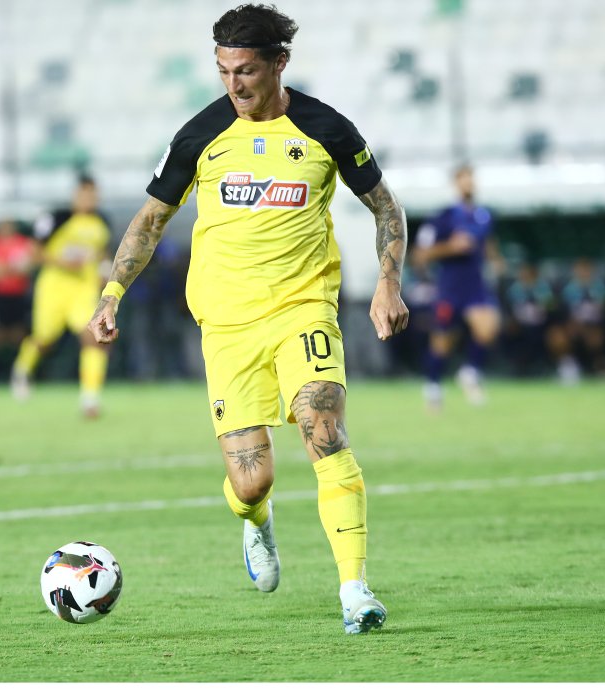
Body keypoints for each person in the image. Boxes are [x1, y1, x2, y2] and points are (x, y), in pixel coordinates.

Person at [87, 4, 408, 635]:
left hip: (303, 307)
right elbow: (150, 221)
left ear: (279, 63)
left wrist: (388, 283)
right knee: (252, 480)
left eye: (247, 71)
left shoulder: (326, 129)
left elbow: (385, 208)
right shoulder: (200, 135)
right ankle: (256, 521)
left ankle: (354, 589)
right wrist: (111, 294)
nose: (234, 84)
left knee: (324, 429)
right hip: (228, 325)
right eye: (224, 71)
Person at [12, 175, 112, 417]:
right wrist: (64, 263)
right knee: (45, 339)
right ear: (75, 195)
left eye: (93, 194)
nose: (89, 199)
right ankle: (22, 369)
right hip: (54, 288)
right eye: (84, 194)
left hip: (84, 290)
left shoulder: (102, 222)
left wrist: (105, 273)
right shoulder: (56, 218)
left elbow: (103, 254)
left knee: (93, 337)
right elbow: (34, 252)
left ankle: (90, 398)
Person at [411, 164, 500, 408]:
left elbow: (487, 243)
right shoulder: (442, 217)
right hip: (450, 286)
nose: (468, 183)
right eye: (464, 178)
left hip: (475, 285)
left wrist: (495, 260)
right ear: (456, 183)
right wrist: (450, 247)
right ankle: (433, 387)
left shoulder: (484, 215)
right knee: (442, 342)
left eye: (471, 178)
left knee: (488, 327)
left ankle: (469, 372)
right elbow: (420, 254)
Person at [0, 219, 37, 381]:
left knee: (19, 333)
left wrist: (4, 268)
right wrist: (12, 268)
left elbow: (26, 269)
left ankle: (20, 370)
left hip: (18, 295)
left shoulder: (22, 242)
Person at [557, 258, 605, 381]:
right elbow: (560, 313)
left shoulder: (601, 289)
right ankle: (568, 365)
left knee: (596, 336)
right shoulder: (567, 290)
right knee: (557, 337)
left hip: (595, 326)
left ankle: (600, 366)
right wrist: (569, 324)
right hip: (573, 327)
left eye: (586, 270)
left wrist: (591, 326)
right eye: (580, 270)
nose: (583, 273)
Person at [502, 262, 558, 377]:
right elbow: (507, 310)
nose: (525, 275)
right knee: (507, 332)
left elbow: (552, 310)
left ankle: (545, 366)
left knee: (552, 335)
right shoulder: (513, 290)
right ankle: (514, 365)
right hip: (520, 326)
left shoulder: (545, 289)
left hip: (542, 326)